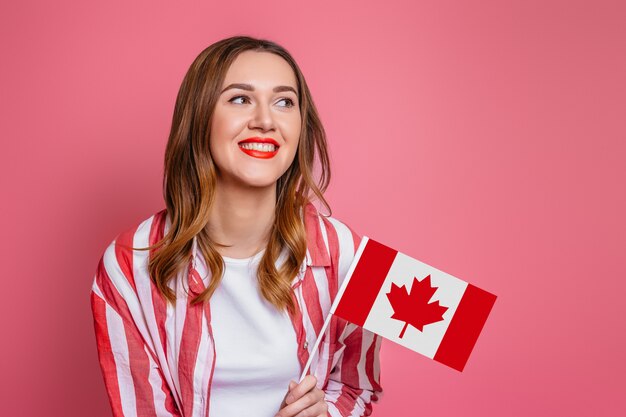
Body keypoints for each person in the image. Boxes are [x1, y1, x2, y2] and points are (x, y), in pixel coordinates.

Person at [90, 35, 382, 417]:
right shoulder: (130, 266)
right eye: (240, 98)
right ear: (200, 118)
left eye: (284, 102)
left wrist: (327, 413)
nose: (265, 120)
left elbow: (354, 386)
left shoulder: (347, 254)